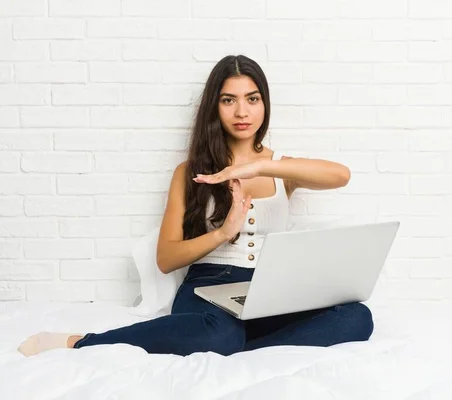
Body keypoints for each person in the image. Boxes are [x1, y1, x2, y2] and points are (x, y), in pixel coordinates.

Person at [17, 55, 374, 357]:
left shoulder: (282, 168)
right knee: (218, 333)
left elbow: (340, 175)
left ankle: (238, 348)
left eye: (253, 99)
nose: (242, 111)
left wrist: (261, 165)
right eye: (228, 100)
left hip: (269, 289)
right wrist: (222, 232)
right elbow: (167, 258)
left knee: (358, 317)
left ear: (265, 103)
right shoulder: (189, 172)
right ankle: (83, 342)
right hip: (208, 289)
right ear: (214, 106)